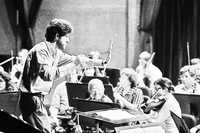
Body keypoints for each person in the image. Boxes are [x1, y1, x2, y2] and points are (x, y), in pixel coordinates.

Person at [19, 18, 109, 133]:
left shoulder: (56, 53)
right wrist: (74, 65)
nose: (68, 40)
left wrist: (101, 62)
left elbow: (76, 59)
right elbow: (47, 75)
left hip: (37, 99)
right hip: (31, 99)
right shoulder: (41, 50)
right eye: (66, 36)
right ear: (57, 36)